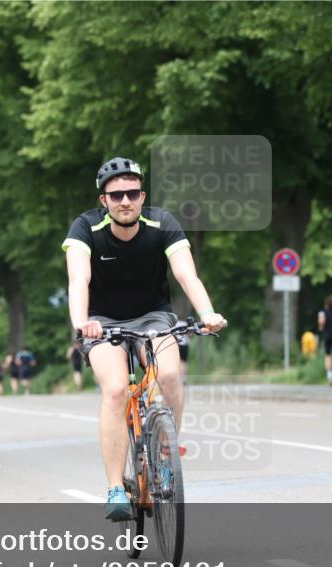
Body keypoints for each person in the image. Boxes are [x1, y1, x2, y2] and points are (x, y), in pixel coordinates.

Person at [63, 156, 225, 520]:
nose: (125, 201)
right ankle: (116, 488)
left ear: (142, 195)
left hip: (154, 316)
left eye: (132, 193)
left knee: (168, 377)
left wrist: (207, 313)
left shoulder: (163, 223)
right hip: (102, 322)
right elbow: (78, 280)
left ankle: (166, 458)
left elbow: (187, 275)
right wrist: (81, 322)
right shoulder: (84, 228)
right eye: (116, 194)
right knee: (118, 390)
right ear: (103, 199)